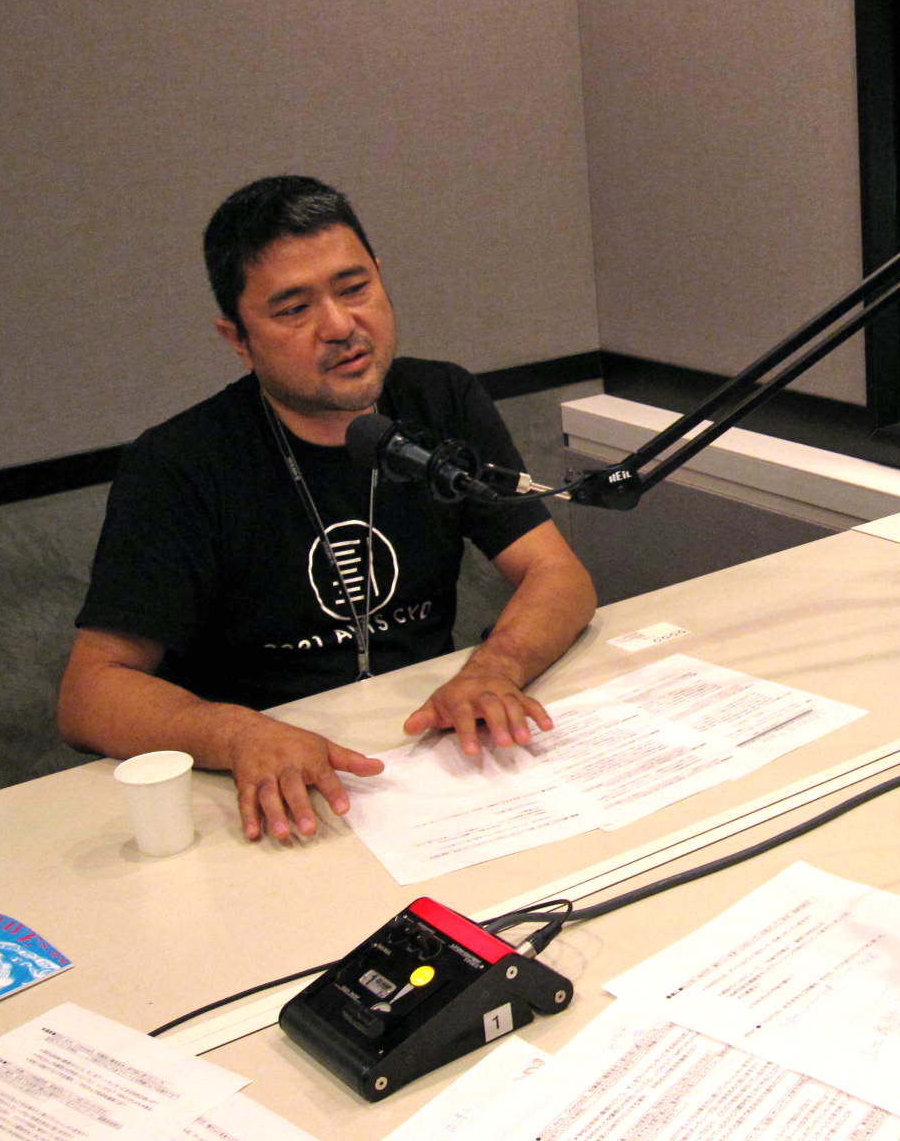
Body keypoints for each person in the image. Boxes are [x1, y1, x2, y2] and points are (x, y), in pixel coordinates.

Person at [58, 176, 596, 845]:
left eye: (354, 288)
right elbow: (90, 693)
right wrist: (238, 734)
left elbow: (557, 575)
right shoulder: (179, 464)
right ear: (237, 339)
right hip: (265, 791)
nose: (340, 326)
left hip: (431, 756)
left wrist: (494, 669)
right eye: (293, 309)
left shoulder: (441, 400)